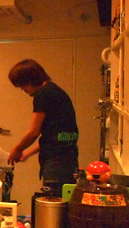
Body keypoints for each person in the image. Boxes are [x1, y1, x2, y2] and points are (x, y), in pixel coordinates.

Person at [6, 59, 79, 197]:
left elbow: (34, 132)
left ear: (30, 80)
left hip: (56, 164)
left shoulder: (42, 94)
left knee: (54, 201)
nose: (22, 89)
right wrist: (28, 153)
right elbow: (55, 136)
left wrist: (17, 149)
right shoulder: (55, 92)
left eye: (22, 84)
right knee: (63, 199)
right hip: (68, 159)